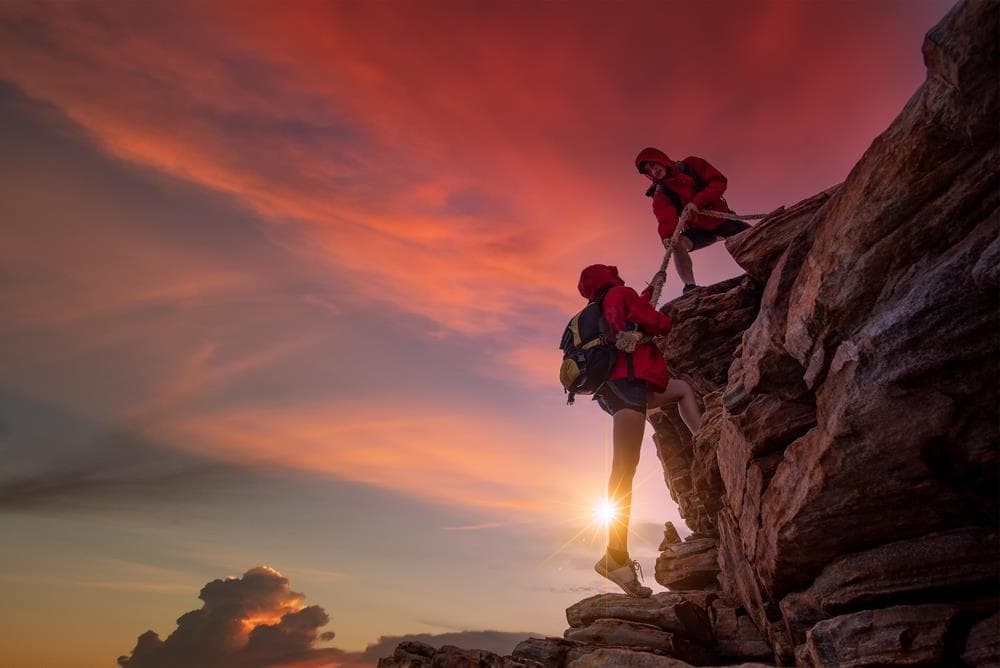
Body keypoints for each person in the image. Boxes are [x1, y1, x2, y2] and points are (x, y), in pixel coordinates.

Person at [577, 263, 702, 597]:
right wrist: (659, 319)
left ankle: (704, 436)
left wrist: (651, 289)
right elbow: (655, 322)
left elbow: (628, 311)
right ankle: (614, 557)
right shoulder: (620, 294)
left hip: (611, 391)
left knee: (681, 389)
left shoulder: (599, 305)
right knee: (623, 470)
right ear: (610, 277)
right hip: (627, 387)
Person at [635, 147, 749, 294]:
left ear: (660, 159)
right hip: (698, 230)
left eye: (653, 165)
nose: (653, 171)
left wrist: (698, 202)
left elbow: (718, 181)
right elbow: (665, 219)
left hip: (723, 220)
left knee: (757, 236)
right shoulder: (661, 195)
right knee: (676, 243)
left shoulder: (692, 165)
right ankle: (690, 287)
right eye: (648, 170)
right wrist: (667, 237)